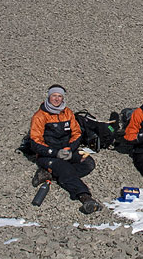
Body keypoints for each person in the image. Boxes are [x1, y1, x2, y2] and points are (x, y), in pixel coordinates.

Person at [29, 84, 102, 214]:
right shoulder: (40, 116)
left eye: (59, 96)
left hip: (67, 150)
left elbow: (77, 133)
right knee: (65, 168)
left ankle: (50, 174)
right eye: (54, 96)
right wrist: (55, 153)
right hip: (48, 154)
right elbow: (35, 142)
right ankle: (85, 197)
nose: (57, 99)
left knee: (88, 162)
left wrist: (69, 149)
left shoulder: (67, 112)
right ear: (49, 96)